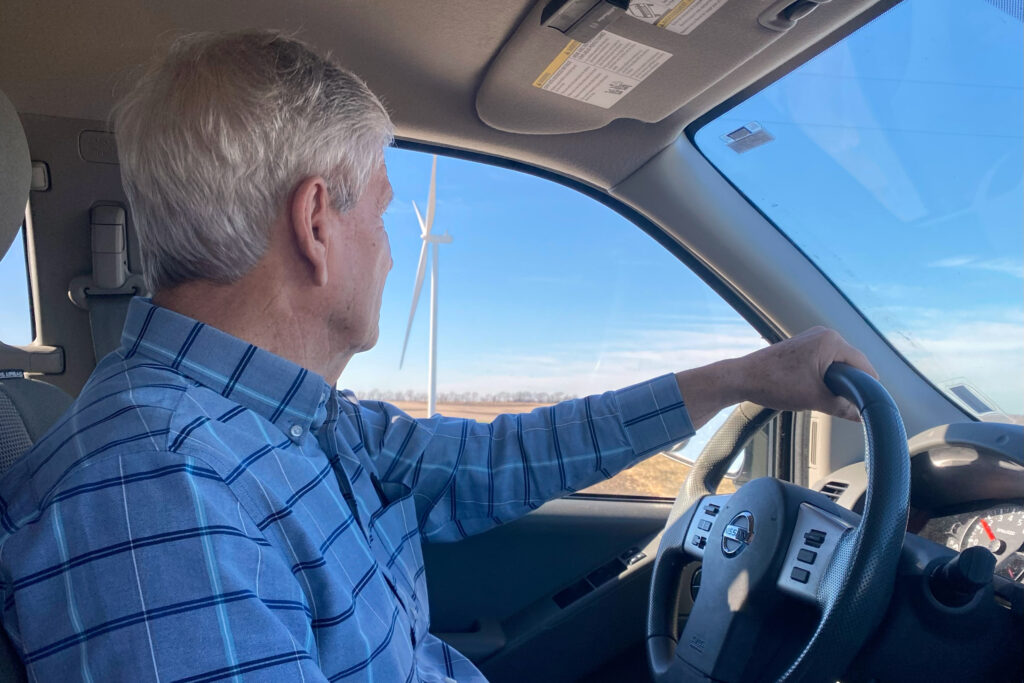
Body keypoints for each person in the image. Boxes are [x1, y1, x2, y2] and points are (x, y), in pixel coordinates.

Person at [0, 31, 875, 682]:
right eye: (381, 213)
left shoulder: (300, 421)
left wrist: (744, 378)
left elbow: (497, 458)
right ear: (315, 226)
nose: (391, 250)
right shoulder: (155, 489)